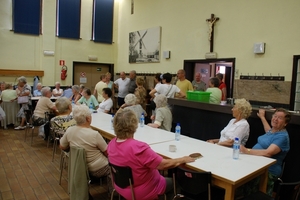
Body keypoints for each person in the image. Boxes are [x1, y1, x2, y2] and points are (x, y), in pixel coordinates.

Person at [107, 109, 195, 199]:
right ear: (134, 125)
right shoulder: (138, 148)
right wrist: (182, 159)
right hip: (144, 191)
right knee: (177, 183)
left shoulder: (111, 144)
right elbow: (163, 165)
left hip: (121, 187)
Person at [59, 104, 112, 193]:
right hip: (98, 169)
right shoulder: (94, 134)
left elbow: (62, 146)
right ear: (88, 118)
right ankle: (114, 192)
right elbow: (108, 153)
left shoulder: (69, 130)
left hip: (80, 167)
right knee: (116, 165)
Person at [240, 108, 290, 196]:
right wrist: (262, 117)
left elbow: (268, 153)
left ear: (285, 123)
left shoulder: (282, 137)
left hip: (268, 171)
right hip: (256, 165)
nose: (275, 119)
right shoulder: (273, 131)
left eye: (280, 118)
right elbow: (268, 130)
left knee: (244, 183)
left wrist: (246, 150)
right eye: (275, 116)